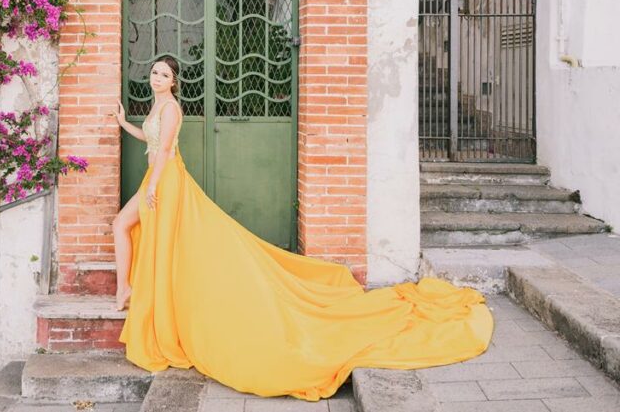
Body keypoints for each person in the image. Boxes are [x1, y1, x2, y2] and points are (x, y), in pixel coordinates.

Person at [108, 54, 493, 401]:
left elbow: (164, 151)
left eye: (164, 74)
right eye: (154, 72)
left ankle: (130, 290)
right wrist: (126, 123)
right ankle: (126, 288)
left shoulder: (172, 108)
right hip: (157, 179)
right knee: (123, 225)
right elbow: (150, 139)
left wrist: (155, 185)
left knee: (135, 229)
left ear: (174, 81)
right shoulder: (158, 105)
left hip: (166, 180)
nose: (157, 78)